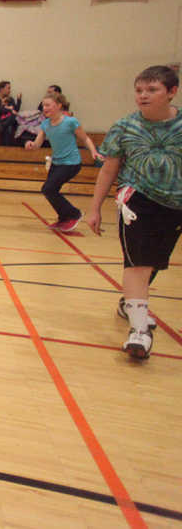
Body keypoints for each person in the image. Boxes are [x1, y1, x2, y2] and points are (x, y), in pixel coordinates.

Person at [85, 65, 181, 360]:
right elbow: (110, 168)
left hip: (175, 204)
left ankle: (130, 303)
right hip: (135, 201)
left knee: (151, 264)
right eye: (139, 90)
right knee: (137, 263)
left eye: (152, 90)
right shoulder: (124, 127)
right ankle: (140, 330)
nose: (143, 96)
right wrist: (95, 207)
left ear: (172, 92)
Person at [23, 92, 99, 231]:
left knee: (48, 189)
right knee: (49, 191)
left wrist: (93, 151)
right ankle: (64, 217)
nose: (44, 108)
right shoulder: (45, 124)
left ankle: (74, 214)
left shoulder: (70, 122)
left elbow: (85, 138)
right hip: (56, 163)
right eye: (43, 105)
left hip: (71, 163)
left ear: (59, 105)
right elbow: (37, 144)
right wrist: (31, 144)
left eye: (48, 105)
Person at [0, 80, 22, 145]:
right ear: (1, 89)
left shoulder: (10, 99)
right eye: (8, 88)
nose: (9, 90)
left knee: (11, 122)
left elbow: (15, 110)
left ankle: (2, 126)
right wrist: (10, 110)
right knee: (9, 126)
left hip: (4, 122)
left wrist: (19, 100)